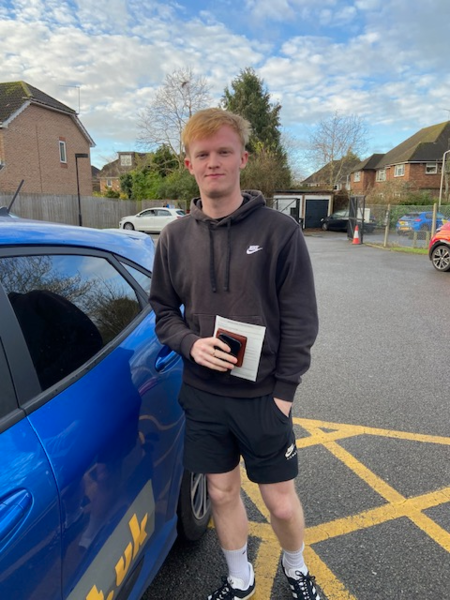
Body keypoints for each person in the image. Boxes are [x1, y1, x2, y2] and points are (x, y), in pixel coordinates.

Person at [149, 108, 319, 600]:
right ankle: (240, 578)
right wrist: (190, 343)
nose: (214, 162)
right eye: (203, 154)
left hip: (264, 398)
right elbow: (163, 312)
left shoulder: (279, 232)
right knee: (222, 492)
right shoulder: (174, 238)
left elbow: (301, 320)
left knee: (280, 504)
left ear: (242, 158)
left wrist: (284, 395)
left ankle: (296, 568)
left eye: (224, 151)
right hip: (203, 396)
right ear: (189, 165)